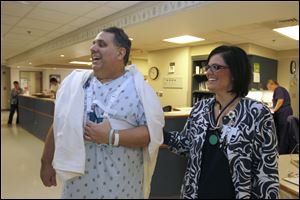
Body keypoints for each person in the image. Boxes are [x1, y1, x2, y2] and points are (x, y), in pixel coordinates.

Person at [40, 27, 164, 199]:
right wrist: (46, 162)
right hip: (79, 184)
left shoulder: (139, 90)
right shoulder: (76, 85)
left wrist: (112, 136)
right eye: (93, 44)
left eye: (102, 44)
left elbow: (150, 134)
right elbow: (59, 123)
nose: (92, 49)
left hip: (122, 185)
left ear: (121, 53)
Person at [163, 45, 279, 199]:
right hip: (197, 193)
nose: (208, 72)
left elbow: (267, 172)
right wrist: (160, 134)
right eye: (208, 67)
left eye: (216, 67)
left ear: (235, 72)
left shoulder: (257, 113)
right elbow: (187, 145)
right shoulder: (200, 109)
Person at [267, 79, 293, 154]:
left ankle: (282, 151)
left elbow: (280, 100)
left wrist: (274, 110)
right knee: (283, 132)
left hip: (284, 113)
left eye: (269, 87)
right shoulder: (281, 89)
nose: (269, 89)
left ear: (272, 84)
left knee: (283, 132)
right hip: (285, 112)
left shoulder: (278, 89)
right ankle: (282, 150)